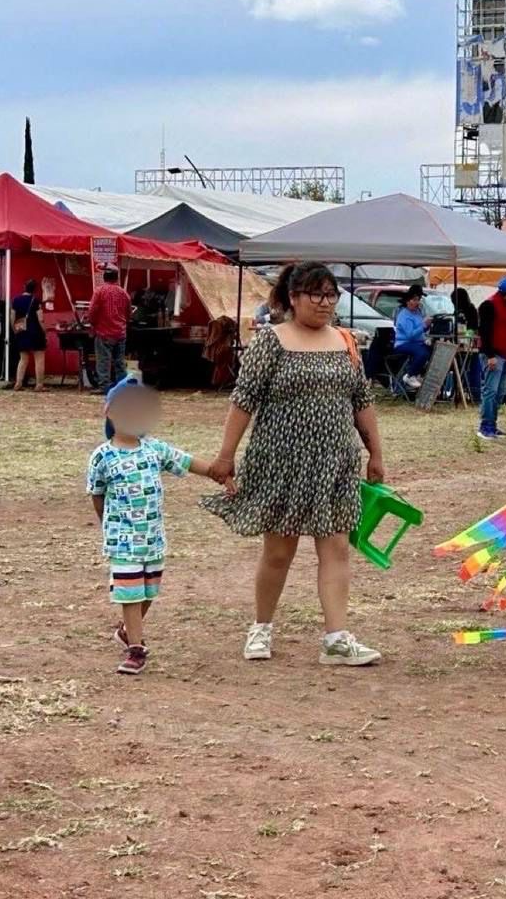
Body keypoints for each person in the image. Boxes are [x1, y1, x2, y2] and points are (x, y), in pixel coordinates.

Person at [202, 261, 386, 667]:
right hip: (280, 463)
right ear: (293, 298)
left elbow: (362, 401)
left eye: (331, 294)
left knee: (336, 548)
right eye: (316, 295)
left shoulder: (345, 341)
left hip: (336, 463)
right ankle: (261, 628)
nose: (325, 303)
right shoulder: (271, 341)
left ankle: (336, 639)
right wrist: (226, 454)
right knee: (279, 551)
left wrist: (375, 453)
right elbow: (243, 400)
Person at [88, 377, 232, 675]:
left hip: (152, 538)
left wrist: (219, 473)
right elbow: (97, 494)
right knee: (131, 592)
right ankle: (136, 649)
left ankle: (128, 630)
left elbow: (190, 462)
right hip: (122, 539)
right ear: (110, 412)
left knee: (149, 591)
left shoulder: (155, 449)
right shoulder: (102, 457)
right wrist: (109, 526)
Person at [477, 277, 506, 440]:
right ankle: (485, 426)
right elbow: (484, 331)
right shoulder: (489, 305)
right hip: (493, 355)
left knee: (500, 392)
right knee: (490, 390)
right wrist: (490, 355)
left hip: (505, 355)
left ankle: (492, 425)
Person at [88, 266, 131, 393]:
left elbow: (92, 311)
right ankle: (122, 386)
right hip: (120, 332)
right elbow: (129, 313)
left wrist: (92, 324)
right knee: (120, 362)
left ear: (104, 278)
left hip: (104, 332)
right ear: (116, 278)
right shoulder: (124, 293)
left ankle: (104, 386)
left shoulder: (99, 291)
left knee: (103, 361)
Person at [11, 279, 48, 392]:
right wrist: (44, 332)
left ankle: (18, 383)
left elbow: (12, 317)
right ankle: (39, 384)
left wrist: (15, 330)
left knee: (23, 359)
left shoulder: (16, 300)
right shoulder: (36, 301)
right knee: (39, 359)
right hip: (36, 332)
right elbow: (40, 319)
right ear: (35, 289)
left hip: (21, 331)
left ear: (24, 287)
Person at [393, 284, 431, 389]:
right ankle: (410, 375)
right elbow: (410, 335)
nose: (416, 303)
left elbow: (421, 330)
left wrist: (428, 326)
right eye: (414, 300)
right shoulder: (403, 315)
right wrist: (423, 325)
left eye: (418, 300)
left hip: (417, 343)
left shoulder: (418, 313)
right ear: (408, 301)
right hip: (404, 343)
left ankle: (423, 375)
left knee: (433, 350)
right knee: (422, 353)